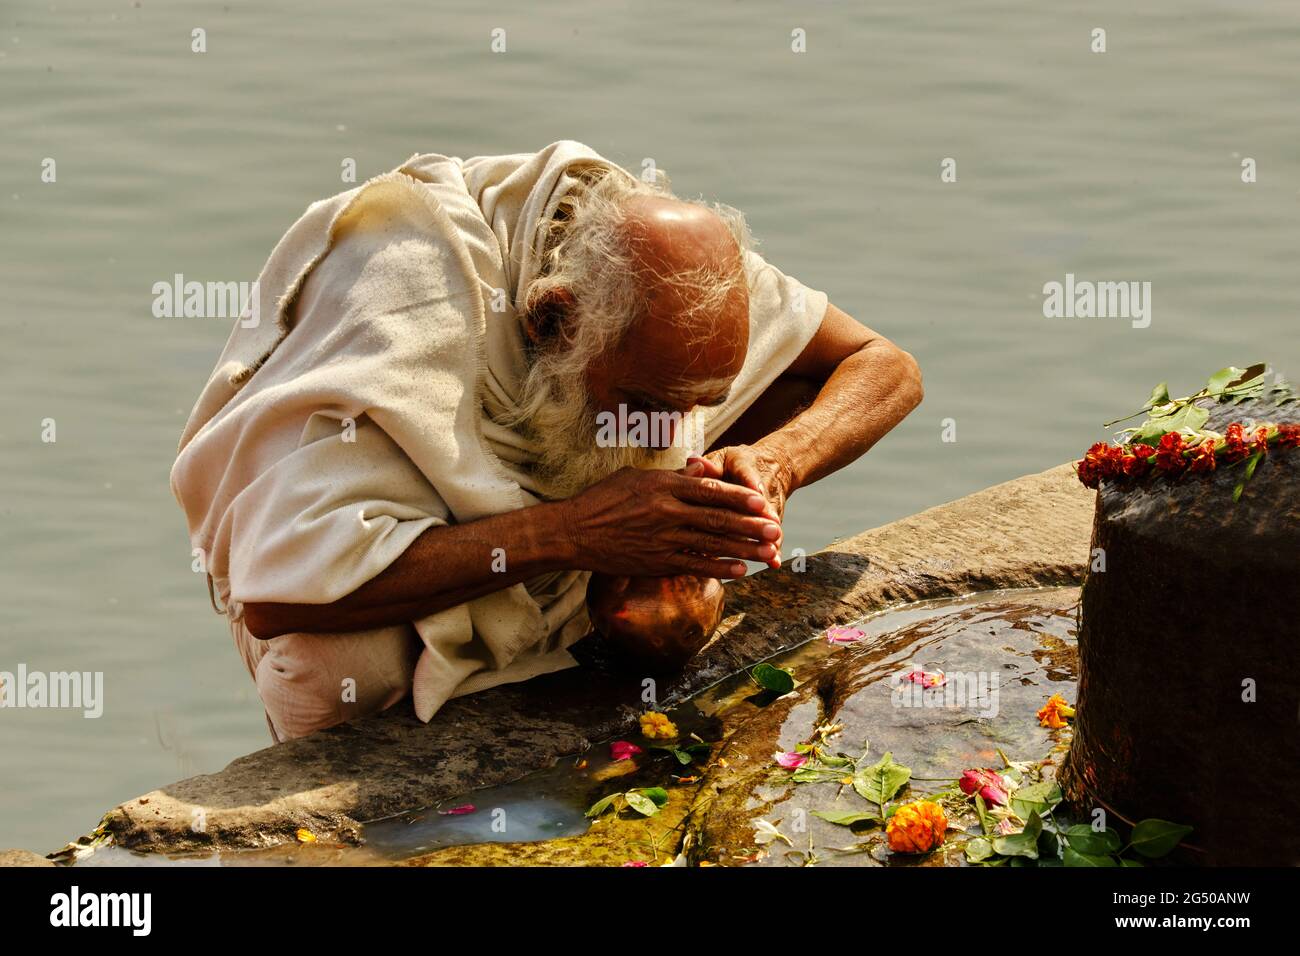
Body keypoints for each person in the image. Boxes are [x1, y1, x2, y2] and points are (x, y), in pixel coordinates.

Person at [171, 141, 922, 742]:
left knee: (794, 392)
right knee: (339, 659)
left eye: (694, 410)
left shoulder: (684, 274)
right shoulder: (418, 297)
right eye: (643, 404)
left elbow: (886, 367)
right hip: (363, 568)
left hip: (559, 536)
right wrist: (572, 532)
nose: (663, 437)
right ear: (550, 321)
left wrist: (772, 465)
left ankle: (564, 611)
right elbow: (273, 595)